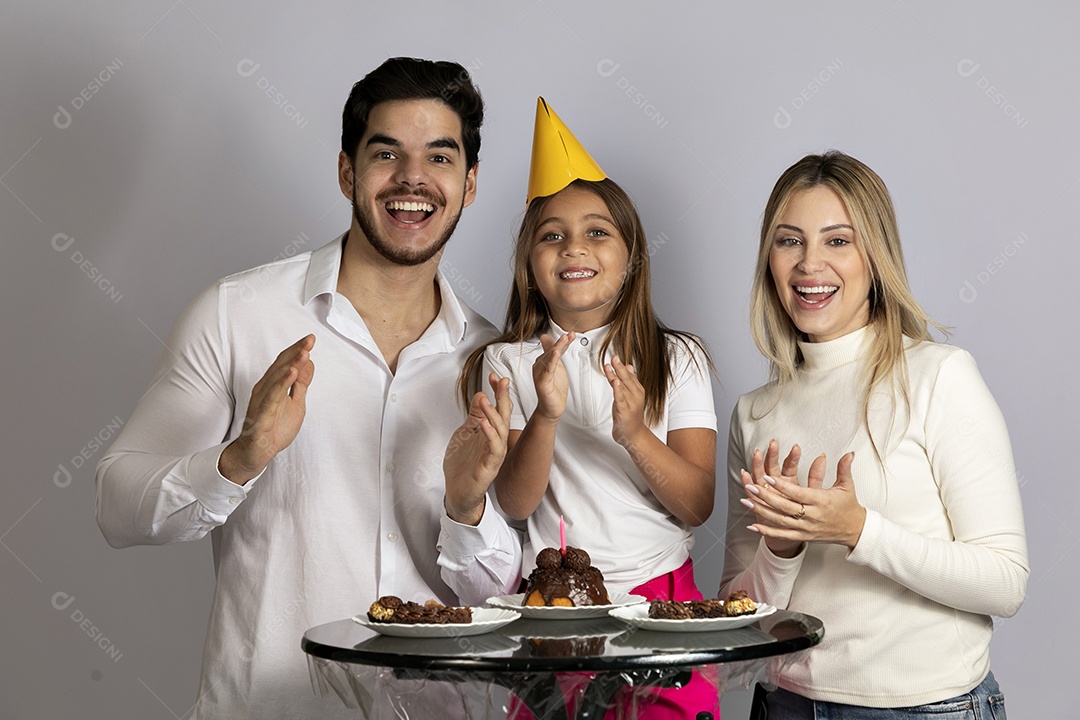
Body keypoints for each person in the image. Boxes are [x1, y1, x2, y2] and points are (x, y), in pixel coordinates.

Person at [95, 57, 520, 719]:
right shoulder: (239, 314)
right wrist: (239, 459)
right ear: (348, 170)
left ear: (468, 185)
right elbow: (117, 506)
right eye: (387, 153)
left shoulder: (495, 362)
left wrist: (467, 510)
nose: (413, 178)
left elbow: (502, 596)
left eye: (439, 157)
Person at [720, 150, 1029, 718]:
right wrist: (782, 549)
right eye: (789, 241)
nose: (810, 264)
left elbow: (1005, 583)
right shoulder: (754, 414)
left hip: (926, 708)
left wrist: (859, 530)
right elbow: (740, 623)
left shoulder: (938, 377)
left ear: (876, 257)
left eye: (838, 240)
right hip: (786, 706)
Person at [456, 98, 720, 719]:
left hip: (662, 605)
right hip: (553, 611)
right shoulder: (508, 362)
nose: (574, 248)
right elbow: (516, 504)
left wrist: (634, 434)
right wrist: (546, 415)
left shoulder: (675, 358)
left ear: (631, 258)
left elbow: (698, 504)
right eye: (553, 236)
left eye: (597, 231)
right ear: (531, 265)